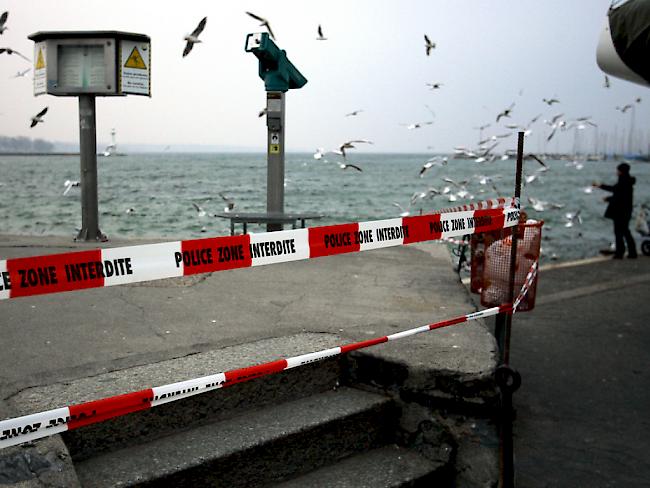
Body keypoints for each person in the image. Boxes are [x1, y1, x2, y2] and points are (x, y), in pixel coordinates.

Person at [593, 163, 638, 259]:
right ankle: (632, 252)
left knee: (619, 232)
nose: (616, 172)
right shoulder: (628, 182)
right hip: (627, 210)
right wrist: (605, 192)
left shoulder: (623, 182)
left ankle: (620, 253)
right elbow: (619, 193)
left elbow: (618, 194)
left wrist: (606, 195)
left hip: (620, 211)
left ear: (621, 171)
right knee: (626, 231)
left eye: (618, 170)